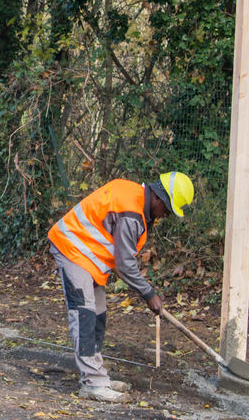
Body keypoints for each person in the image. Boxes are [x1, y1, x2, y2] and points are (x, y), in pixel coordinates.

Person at [47, 171, 194, 403]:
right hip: (72, 248)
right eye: (167, 209)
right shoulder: (131, 213)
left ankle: (97, 375)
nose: (165, 215)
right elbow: (125, 263)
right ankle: (92, 383)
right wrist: (149, 294)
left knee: (98, 314)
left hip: (89, 256)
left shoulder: (135, 200)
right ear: (158, 197)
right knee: (85, 314)